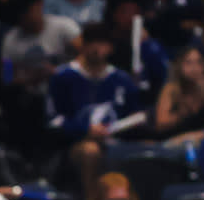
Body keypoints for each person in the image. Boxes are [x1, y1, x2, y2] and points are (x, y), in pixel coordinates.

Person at [47, 22, 144, 188]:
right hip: (77, 143)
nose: (97, 49)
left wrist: (124, 126)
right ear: (83, 46)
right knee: (90, 151)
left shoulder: (121, 79)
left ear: (110, 48)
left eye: (102, 43)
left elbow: (134, 115)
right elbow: (53, 120)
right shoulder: (64, 77)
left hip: (116, 140)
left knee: (146, 151)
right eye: (92, 43)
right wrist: (85, 130)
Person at [153, 46, 204, 144]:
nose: (194, 68)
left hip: (202, 141)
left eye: (198, 62)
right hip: (174, 142)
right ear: (179, 66)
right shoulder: (171, 90)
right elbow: (161, 123)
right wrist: (184, 110)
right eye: (188, 63)